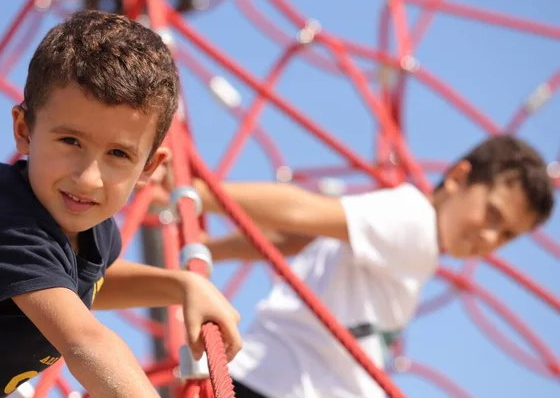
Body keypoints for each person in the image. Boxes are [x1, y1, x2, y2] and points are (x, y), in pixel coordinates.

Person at [0, 10, 241, 398]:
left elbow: (83, 282)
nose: (88, 178)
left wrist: (181, 285)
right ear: (24, 131)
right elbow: (85, 342)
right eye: (70, 142)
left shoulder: (90, 227)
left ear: (149, 167)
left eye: (118, 154)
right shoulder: (2, 224)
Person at [149, 135, 555, 398]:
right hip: (287, 383)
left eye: (505, 237)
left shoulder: (415, 236)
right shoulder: (413, 221)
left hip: (280, 379)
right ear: (458, 178)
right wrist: (196, 194)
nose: (488, 237)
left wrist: (212, 245)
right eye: (492, 215)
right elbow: (301, 213)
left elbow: (297, 234)